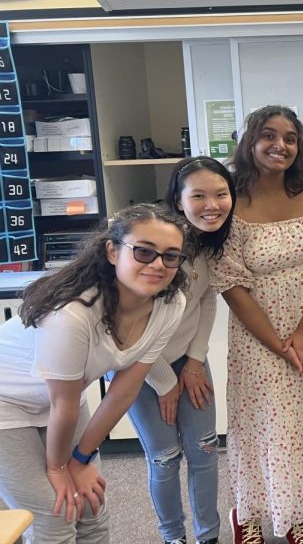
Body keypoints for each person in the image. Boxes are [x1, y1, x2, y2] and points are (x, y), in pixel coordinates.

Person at [0, 204, 189, 543]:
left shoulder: (170, 303)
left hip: (61, 403)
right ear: (113, 251)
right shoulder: (71, 313)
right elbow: (63, 403)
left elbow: (123, 391)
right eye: (144, 252)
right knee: (54, 516)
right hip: (6, 403)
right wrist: (59, 468)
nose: (158, 264)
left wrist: (80, 459)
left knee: (90, 506)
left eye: (171, 256)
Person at [210, 105, 303, 544]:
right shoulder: (229, 200)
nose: (280, 146)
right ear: (250, 142)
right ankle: (247, 512)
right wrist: (277, 343)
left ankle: (293, 514)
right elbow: (230, 281)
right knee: (264, 423)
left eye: (290, 138)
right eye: (269, 136)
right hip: (258, 334)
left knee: (302, 425)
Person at [114, 158, 236, 544]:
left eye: (220, 194)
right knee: (165, 458)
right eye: (198, 195)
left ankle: (208, 536)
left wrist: (196, 360)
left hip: (187, 360)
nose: (211, 205)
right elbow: (128, 331)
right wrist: (165, 381)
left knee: (204, 451)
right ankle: (173, 537)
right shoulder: (158, 250)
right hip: (137, 365)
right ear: (178, 201)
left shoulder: (207, 244)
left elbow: (206, 301)